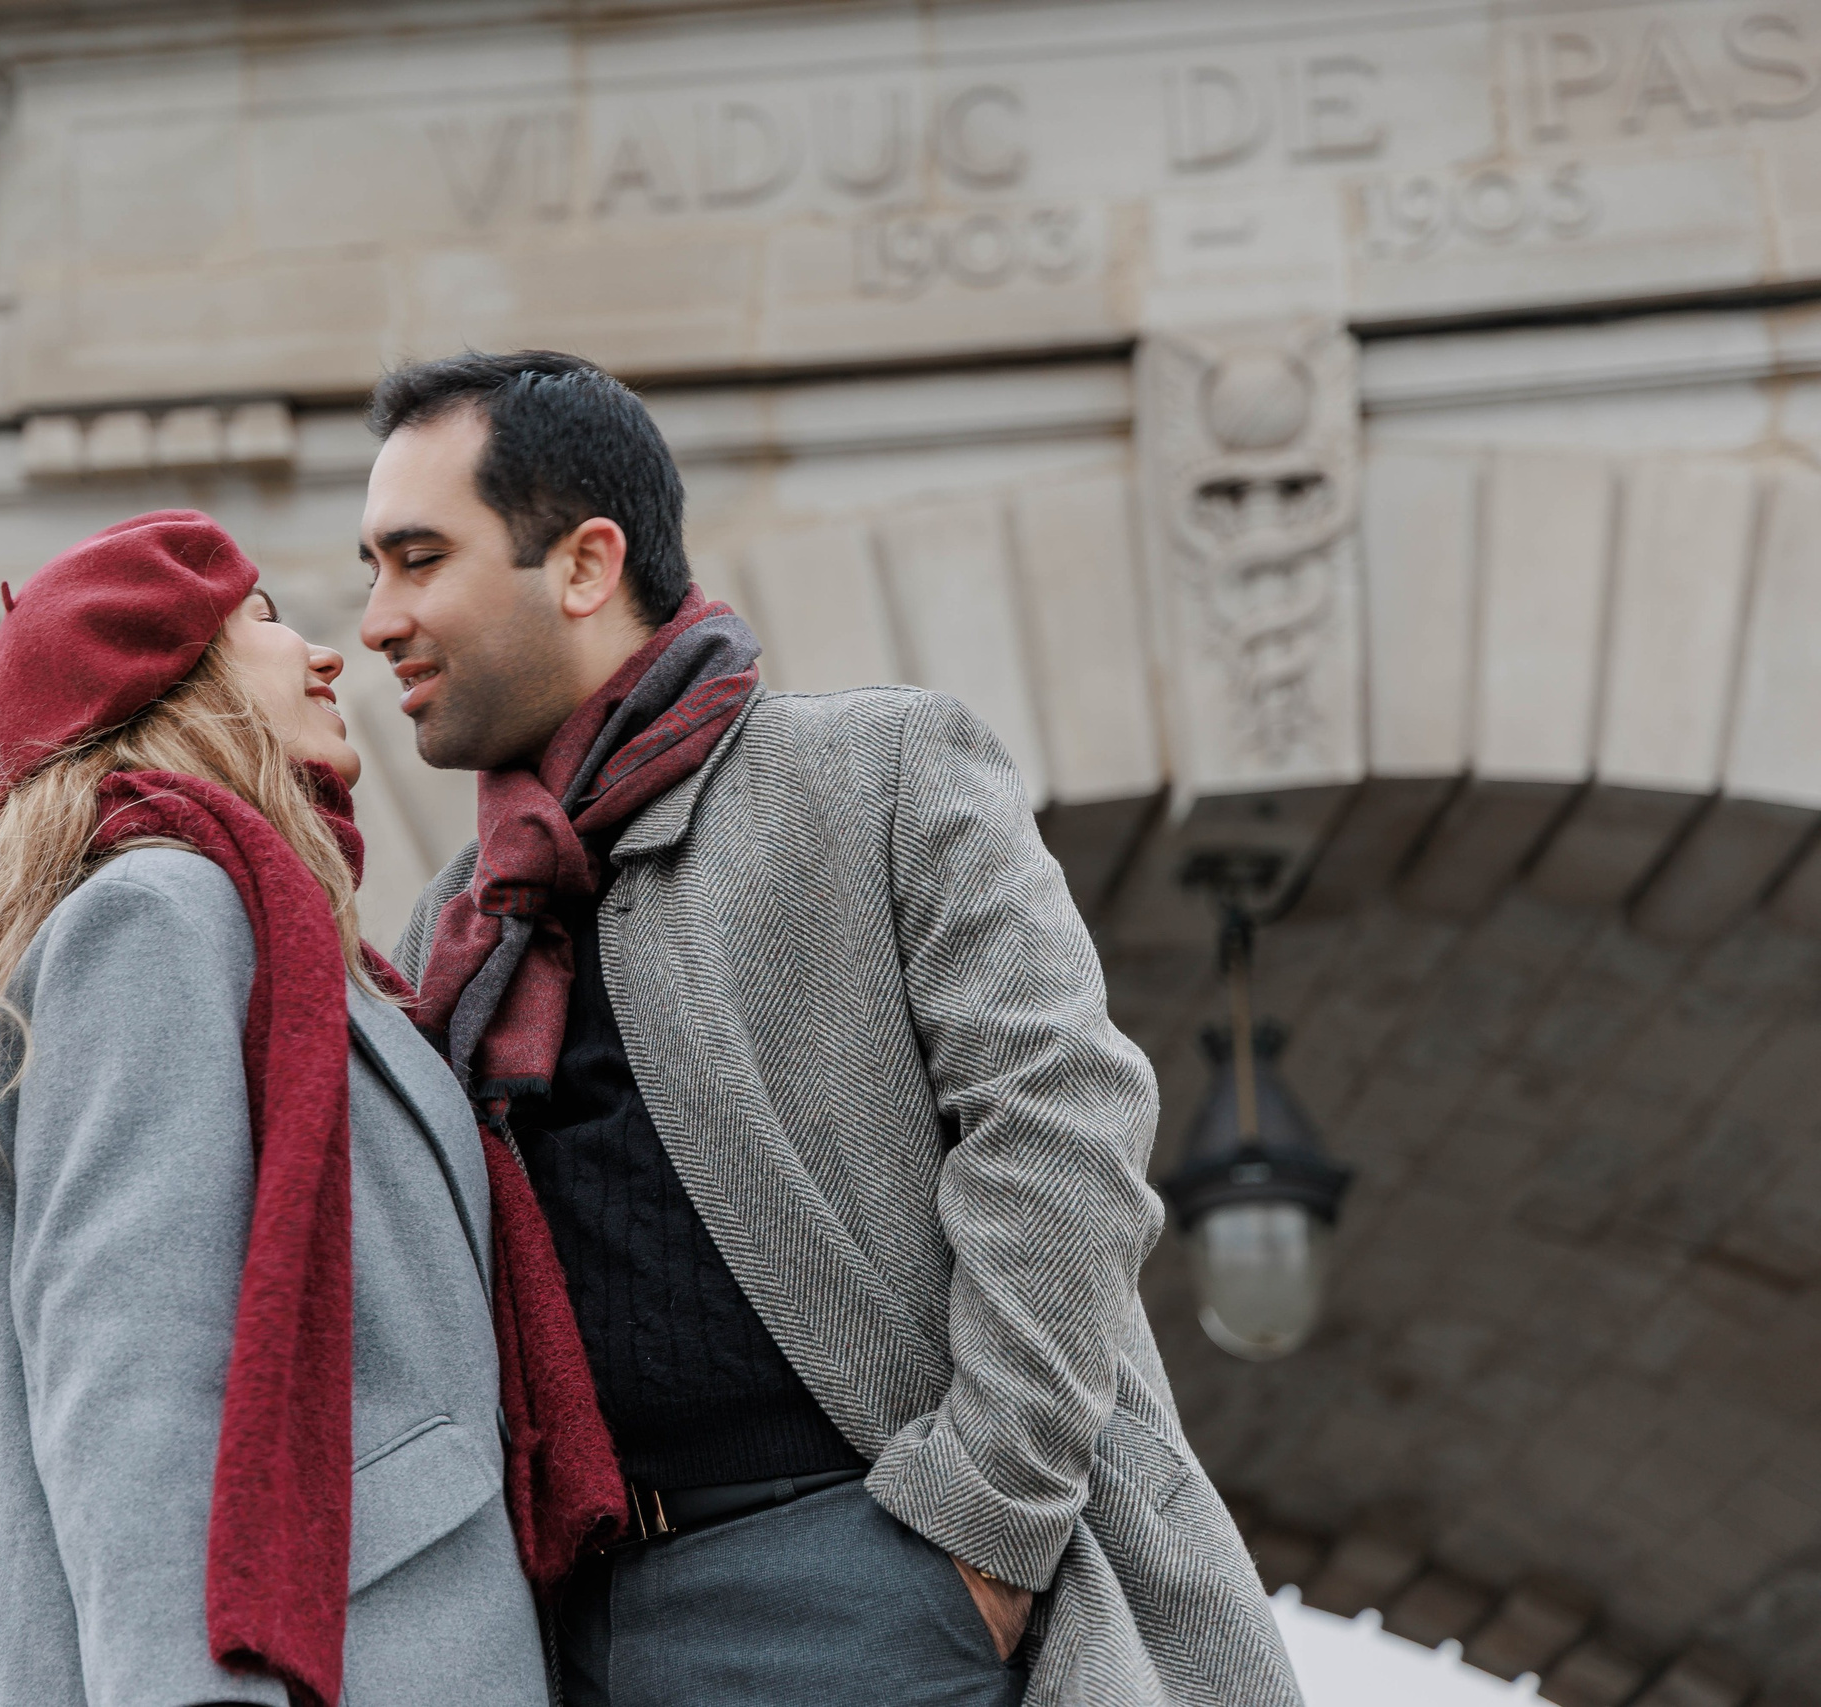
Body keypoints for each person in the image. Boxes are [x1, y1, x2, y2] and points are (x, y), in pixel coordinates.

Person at [358, 354, 1304, 1707]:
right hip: (587, 1634)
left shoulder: (881, 772)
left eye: (418, 557)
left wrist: (981, 1527)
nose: (378, 616)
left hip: (881, 1582)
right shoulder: (456, 928)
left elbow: (1063, 1121)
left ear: (583, 564)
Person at [0, 511, 614, 1707]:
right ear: (169, 683)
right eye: (260, 618)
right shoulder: (157, 915)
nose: (323, 653)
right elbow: (137, 1388)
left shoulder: (256, 935)